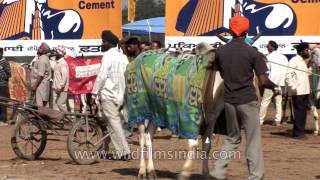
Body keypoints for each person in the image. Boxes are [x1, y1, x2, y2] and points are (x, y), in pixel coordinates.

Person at [208, 16, 277, 180]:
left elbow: (219, 70)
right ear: (246, 32)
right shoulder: (253, 53)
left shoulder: (221, 51)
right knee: (253, 140)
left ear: (231, 31)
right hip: (247, 100)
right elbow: (263, 81)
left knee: (232, 137)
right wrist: (276, 87)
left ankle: (217, 172)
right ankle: (255, 176)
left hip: (229, 101)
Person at [92, 30, 131, 159]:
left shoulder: (108, 56)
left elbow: (102, 75)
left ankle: (124, 152)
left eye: (103, 42)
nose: (102, 44)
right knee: (111, 123)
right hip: (121, 96)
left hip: (108, 94)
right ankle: (106, 149)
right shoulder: (123, 57)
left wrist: (94, 92)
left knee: (114, 123)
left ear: (109, 43)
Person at [259, 40, 288, 126]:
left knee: (265, 101)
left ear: (272, 47)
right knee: (278, 101)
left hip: (271, 83)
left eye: (268, 46)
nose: (267, 47)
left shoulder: (268, 57)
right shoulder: (284, 57)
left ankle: (260, 120)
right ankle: (278, 121)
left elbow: (266, 71)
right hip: (281, 82)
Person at [286, 42, 311, 139]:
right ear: (301, 51)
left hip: (305, 90)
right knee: (299, 112)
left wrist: (310, 69)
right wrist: (293, 87)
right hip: (298, 91)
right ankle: (298, 133)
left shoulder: (303, 61)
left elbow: (304, 75)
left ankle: (300, 131)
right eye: (306, 50)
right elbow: (288, 75)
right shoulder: (294, 60)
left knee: (303, 113)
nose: (308, 51)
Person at [52, 46, 69, 112]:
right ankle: (58, 120)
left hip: (61, 88)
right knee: (55, 105)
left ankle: (69, 118)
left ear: (60, 54)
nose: (55, 53)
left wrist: (60, 87)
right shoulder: (57, 62)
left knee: (61, 104)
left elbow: (64, 77)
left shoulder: (63, 63)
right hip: (55, 87)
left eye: (56, 52)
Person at [0, 48, 11, 126]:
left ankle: (3, 120)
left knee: (3, 103)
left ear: (1, 53)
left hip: (3, 85)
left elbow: (9, 74)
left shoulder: (5, 62)